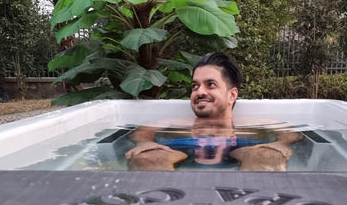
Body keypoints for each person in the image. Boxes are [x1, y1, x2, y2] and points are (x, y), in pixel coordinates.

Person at [125, 52, 302, 171]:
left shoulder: (250, 123)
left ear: (232, 95)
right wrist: (144, 143)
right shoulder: (177, 123)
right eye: (195, 86)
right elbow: (143, 132)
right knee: (147, 156)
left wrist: (281, 143)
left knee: (268, 155)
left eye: (210, 84)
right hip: (182, 149)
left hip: (243, 149)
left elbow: (290, 132)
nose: (199, 92)